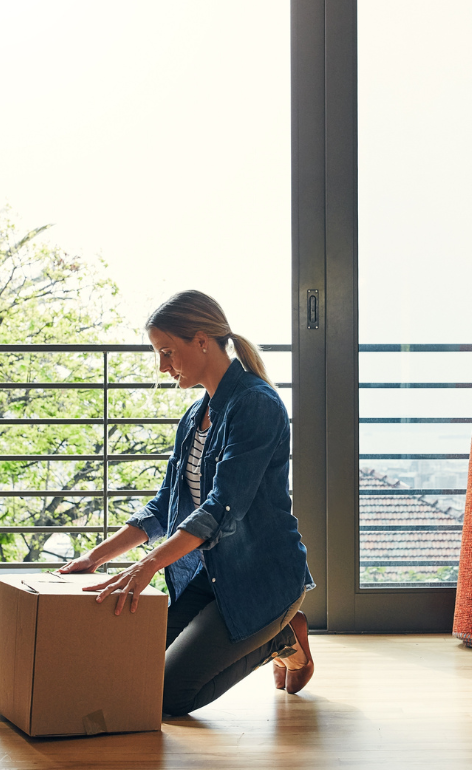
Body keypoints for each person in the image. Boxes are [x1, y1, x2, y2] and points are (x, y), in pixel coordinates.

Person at [58, 290, 315, 716]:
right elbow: (164, 506)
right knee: (131, 670)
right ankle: (271, 634)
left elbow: (221, 509)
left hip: (262, 582)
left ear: (201, 340)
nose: (162, 367)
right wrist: (95, 557)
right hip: (213, 577)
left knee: (164, 697)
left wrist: (147, 566)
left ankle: (280, 634)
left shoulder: (255, 405)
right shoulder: (196, 416)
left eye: (167, 352)